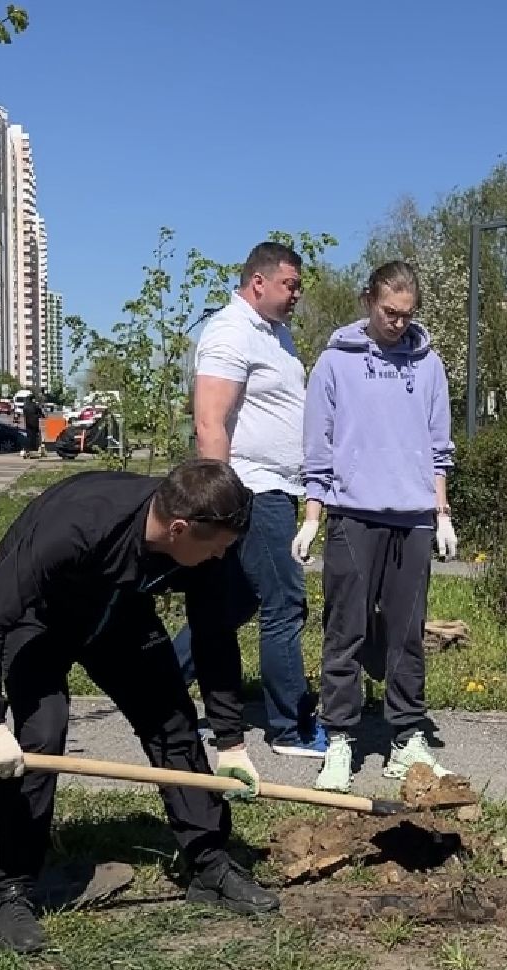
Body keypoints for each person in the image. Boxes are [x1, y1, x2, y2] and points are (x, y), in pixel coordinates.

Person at [0, 460, 278, 954]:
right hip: (39, 614)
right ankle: (8, 889)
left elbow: (214, 636)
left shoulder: (205, 541)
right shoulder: (78, 527)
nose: (223, 555)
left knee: (172, 721)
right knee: (41, 736)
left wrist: (231, 743)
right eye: (217, 545)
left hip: (118, 610)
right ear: (179, 529)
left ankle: (209, 863)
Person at [299, 261, 457, 793]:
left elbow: (439, 448)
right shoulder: (334, 364)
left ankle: (406, 738)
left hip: (413, 518)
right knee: (346, 630)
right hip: (353, 514)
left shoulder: (428, 363)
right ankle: (339, 738)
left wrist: (442, 513)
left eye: (407, 315)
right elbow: (318, 446)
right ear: (368, 300)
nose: (397, 323)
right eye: (389, 312)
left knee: (406, 634)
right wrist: (312, 515)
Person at [174, 241, 326, 774]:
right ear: (257, 281)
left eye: (299, 285)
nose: (297, 294)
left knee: (231, 604)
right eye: (290, 284)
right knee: (285, 600)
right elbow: (210, 420)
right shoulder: (230, 332)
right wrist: (219, 502)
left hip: (277, 486)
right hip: (250, 490)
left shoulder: (277, 336)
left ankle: (161, 686)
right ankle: (290, 726)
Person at [18, 392, 44, 459]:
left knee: (29, 436)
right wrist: (39, 415)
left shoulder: (25, 406)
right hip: (35, 423)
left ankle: (28, 449)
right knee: (35, 436)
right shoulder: (35, 405)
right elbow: (41, 414)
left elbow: (24, 414)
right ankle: (34, 449)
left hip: (28, 424)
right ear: (32, 399)